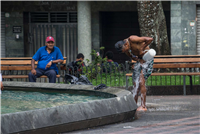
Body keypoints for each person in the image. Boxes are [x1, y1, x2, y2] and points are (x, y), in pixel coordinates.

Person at [115, 35, 154, 111]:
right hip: (140, 60)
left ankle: (143, 106)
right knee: (135, 83)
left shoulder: (132, 39)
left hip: (147, 57)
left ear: (126, 44)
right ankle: (134, 105)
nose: (125, 51)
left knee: (141, 81)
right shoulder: (126, 49)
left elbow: (150, 39)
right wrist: (138, 60)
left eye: (124, 50)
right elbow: (132, 57)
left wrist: (141, 49)